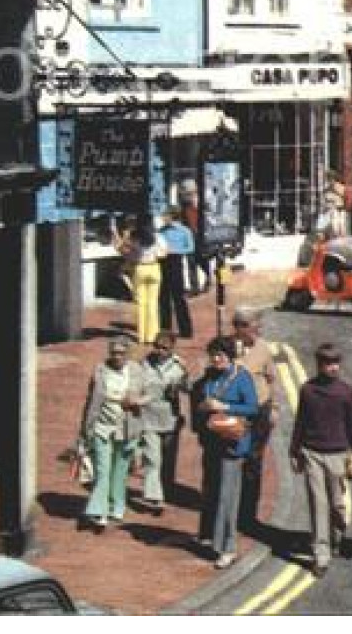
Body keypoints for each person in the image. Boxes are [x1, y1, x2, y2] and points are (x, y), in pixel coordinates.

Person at [290, 343, 352, 576]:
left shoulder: (345, 391)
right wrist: (294, 451)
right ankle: (320, 555)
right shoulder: (307, 391)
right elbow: (300, 421)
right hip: (312, 452)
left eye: (336, 364)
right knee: (317, 504)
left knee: (337, 504)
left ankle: (337, 537)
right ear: (319, 365)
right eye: (328, 364)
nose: (333, 368)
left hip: (338, 453)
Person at [194, 336, 259, 569]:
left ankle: (228, 548)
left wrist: (226, 407)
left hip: (232, 445)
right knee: (211, 491)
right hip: (212, 442)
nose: (216, 359)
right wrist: (204, 407)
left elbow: (252, 407)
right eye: (213, 355)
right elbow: (201, 401)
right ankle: (211, 538)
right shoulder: (209, 377)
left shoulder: (241, 378)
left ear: (230, 357)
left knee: (228, 497)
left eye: (220, 355)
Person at [76, 337, 149, 530]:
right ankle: (98, 511)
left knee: (120, 471)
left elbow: (151, 395)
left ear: (128, 354)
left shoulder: (137, 371)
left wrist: (137, 401)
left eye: (121, 353)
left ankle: (117, 505)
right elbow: (91, 402)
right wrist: (84, 431)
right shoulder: (100, 371)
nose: (117, 357)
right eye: (114, 352)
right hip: (102, 427)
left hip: (126, 428)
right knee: (102, 471)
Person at [231, 308, 277, 533]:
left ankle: (248, 516)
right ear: (240, 327)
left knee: (254, 461)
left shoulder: (263, 348)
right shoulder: (228, 348)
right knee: (232, 459)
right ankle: (229, 510)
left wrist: (274, 408)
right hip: (236, 411)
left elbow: (271, 379)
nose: (258, 329)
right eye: (253, 326)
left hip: (260, 410)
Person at [138, 331, 189, 516]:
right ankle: (155, 497)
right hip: (148, 418)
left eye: (164, 348)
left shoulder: (178, 365)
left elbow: (188, 389)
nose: (160, 351)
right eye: (157, 346)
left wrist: (184, 377)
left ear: (172, 348)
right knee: (153, 459)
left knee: (168, 460)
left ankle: (165, 491)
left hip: (170, 419)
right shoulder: (144, 364)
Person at [119, 217, 167, 345]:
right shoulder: (158, 237)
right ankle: (152, 335)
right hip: (154, 267)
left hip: (140, 268)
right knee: (153, 303)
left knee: (141, 303)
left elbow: (124, 251)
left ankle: (142, 336)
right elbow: (164, 254)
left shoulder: (135, 238)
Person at [158, 208, 196, 338]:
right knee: (163, 298)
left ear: (172, 216)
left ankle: (186, 330)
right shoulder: (161, 231)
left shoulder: (184, 230)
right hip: (162, 262)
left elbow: (190, 248)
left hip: (176, 262)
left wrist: (174, 250)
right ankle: (165, 328)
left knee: (178, 298)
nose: (163, 218)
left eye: (165, 215)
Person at [322, 172, 350, 239]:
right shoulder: (326, 190)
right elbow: (325, 200)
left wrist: (336, 191)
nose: (329, 181)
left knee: (342, 226)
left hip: (341, 209)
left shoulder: (341, 187)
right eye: (328, 179)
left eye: (330, 179)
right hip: (331, 210)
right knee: (334, 226)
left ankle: (343, 239)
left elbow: (346, 197)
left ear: (334, 179)